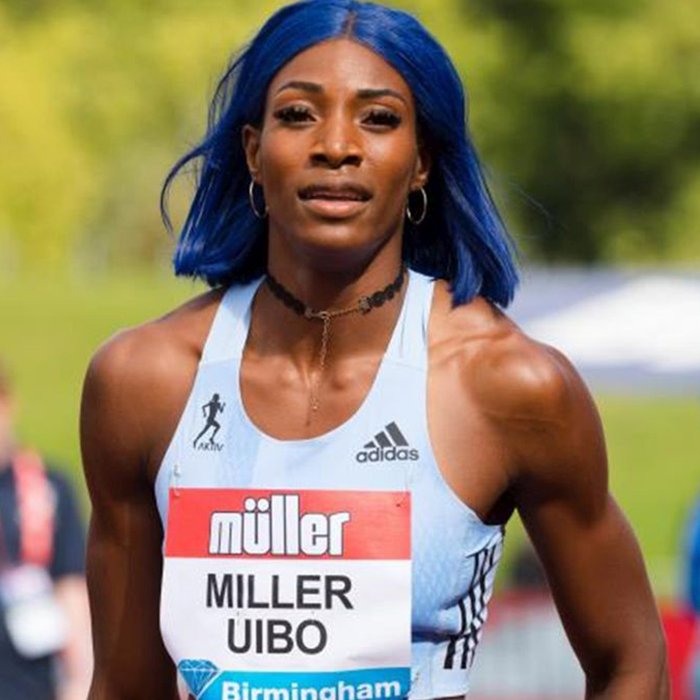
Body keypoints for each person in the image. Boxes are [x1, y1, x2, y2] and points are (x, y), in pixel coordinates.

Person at [80, 1, 668, 698]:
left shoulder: (508, 384)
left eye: (379, 118)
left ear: (421, 163)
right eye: (298, 114)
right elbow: (123, 685)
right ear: (253, 153)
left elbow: (633, 663)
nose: (336, 145)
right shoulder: (142, 383)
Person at [0, 362, 91, 699]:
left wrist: (78, 682)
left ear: (7, 403)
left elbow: (72, 588)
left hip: (33, 683)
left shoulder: (49, 487)